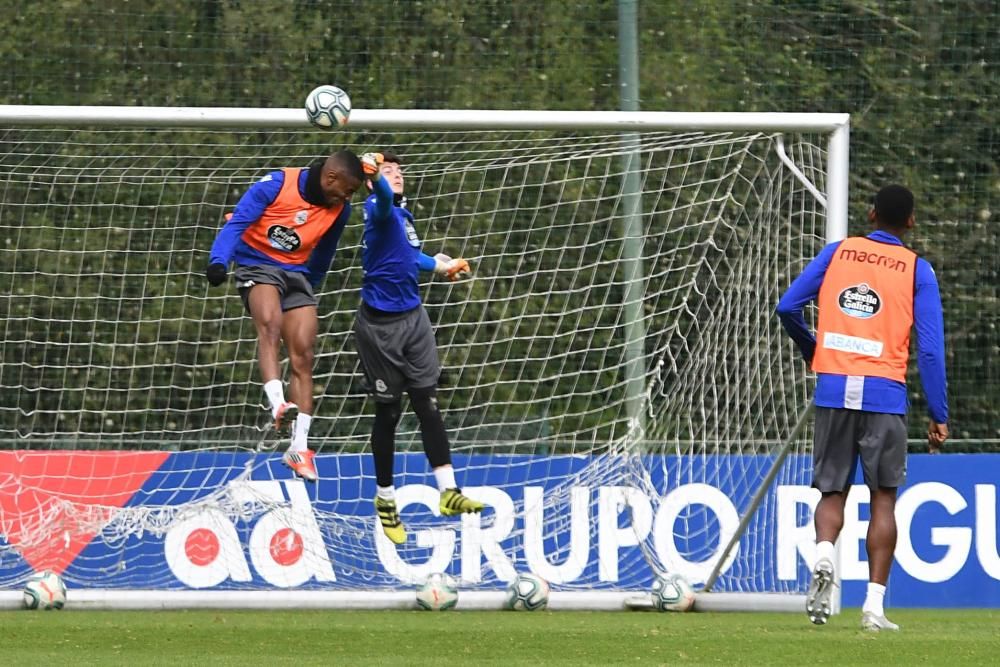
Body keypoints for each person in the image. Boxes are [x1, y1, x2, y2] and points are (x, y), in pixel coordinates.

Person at [776, 184, 948, 632]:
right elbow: (929, 351)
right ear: (910, 221)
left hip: (834, 389)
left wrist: (816, 351)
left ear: (870, 214)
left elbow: (788, 305)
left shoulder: (838, 252)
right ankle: (873, 608)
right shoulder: (917, 270)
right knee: (883, 500)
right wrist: (939, 412)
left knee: (832, 493)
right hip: (884, 394)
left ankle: (823, 556)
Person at [206, 151, 365, 483]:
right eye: (347, 190)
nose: (347, 198)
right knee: (270, 325)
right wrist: (219, 260)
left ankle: (299, 447)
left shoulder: (340, 210)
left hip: (296, 275)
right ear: (331, 178)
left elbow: (325, 251)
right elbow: (238, 222)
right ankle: (278, 404)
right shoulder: (277, 184)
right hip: (257, 264)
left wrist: (310, 285)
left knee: (304, 352)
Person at [354, 151, 484, 545]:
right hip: (379, 328)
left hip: (414, 319)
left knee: (427, 402)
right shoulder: (379, 208)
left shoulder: (404, 219)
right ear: (372, 180)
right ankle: (385, 499)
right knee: (389, 414)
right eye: (387, 171)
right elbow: (383, 199)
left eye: (398, 171)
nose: (395, 175)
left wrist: (442, 267)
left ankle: (448, 491)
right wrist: (373, 172)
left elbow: (409, 256)